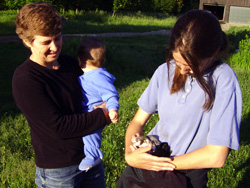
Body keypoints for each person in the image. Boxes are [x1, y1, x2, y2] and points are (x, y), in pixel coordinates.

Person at [116, 9, 242, 188]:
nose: (182, 70)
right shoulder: (164, 71)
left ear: (214, 52)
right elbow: (137, 121)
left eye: (191, 65)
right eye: (177, 62)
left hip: (185, 174)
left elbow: (216, 156)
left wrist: (162, 164)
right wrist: (131, 155)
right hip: (147, 164)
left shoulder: (223, 79)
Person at [12, 2, 110, 188]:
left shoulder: (71, 64)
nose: (55, 47)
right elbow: (57, 127)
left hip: (91, 157)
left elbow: (96, 88)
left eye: (57, 38)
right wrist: (103, 115)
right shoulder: (25, 79)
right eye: (46, 42)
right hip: (59, 170)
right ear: (27, 42)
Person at [77, 36, 119, 172]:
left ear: (80, 61)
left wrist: (112, 109)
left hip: (94, 111)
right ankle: (90, 154)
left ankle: (93, 155)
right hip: (88, 110)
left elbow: (111, 94)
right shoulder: (92, 75)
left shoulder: (98, 77)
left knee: (90, 134)